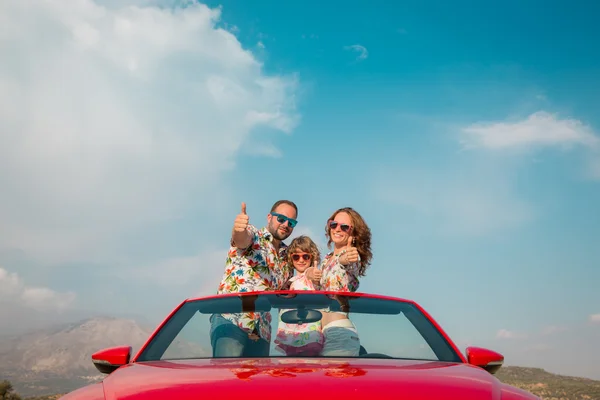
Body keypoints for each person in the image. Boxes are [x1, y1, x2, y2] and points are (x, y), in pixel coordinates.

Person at [210, 200, 299, 357]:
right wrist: (238, 229)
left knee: (256, 382)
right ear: (269, 217)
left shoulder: (288, 260)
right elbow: (241, 239)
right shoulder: (255, 236)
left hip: (261, 331)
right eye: (281, 218)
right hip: (232, 319)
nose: (286, 224)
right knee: (228, 377)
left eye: (291, 222)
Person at [306, 206, 373, 357]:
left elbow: (349, 262)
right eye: (333, 224)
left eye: (344, 227)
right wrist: (309, 274)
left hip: (339, 333)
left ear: (353, 233)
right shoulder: (327, 260)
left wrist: (345, 259)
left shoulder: (351, 256)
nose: (337, 229)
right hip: (317, 334)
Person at [273, 235, 324, 356]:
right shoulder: (290, 280)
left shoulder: (308, 276)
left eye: (305, 256)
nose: (301, 260)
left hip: (309, 334)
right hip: (290, 334)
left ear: (312, 257)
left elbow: (312, 275)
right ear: (291, 259)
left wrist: (314, 274)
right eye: (296, 257)